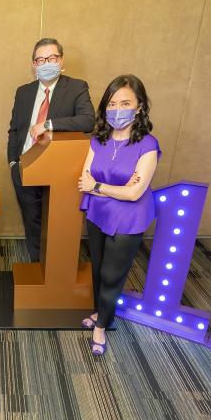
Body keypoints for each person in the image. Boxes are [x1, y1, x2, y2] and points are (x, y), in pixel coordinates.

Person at [77, 75, 160, 356]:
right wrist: (111, 190)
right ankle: (100, 312)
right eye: (112, 103)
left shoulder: (147, 144)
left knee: (113, 274)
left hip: (128, 220)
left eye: (125, 103)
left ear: (139, 107)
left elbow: (135, 193)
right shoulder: (98, 140)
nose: (117, 109)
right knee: (98, 268)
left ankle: (102, 325)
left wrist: (99, 187)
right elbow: (83, 179)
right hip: (98, 214)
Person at [7, 38, 95, 261]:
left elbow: (87, 121)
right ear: (34, 64)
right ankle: (37, 265)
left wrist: (48, 124)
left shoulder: (76, 87)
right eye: (41, 59)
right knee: (32, 221)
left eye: (52, 58)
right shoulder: (23, 92)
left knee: (58, 224)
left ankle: (58, 269)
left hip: (59, 171)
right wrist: (13, 163)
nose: (46, 63)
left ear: (61, 60)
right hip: (25, 167)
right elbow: (14, 130)